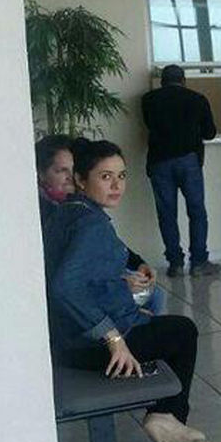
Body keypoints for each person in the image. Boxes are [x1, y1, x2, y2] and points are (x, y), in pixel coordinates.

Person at [43, 140, 210, 442]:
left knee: (157, 319)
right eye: (105, 177)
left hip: (67, 339)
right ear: (80, 179)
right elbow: (64, 287)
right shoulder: (91, 224)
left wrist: (128, 303)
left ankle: (166, 417)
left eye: (121, 176)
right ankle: (166, 417)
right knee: (183, 331)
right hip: (85, 347)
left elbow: (96, 272)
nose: (116, 185)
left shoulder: (74, 211)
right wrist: (114, 338)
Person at [35, 135, 166, 316]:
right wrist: (115, 324)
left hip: (88, 286)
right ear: (41, 173)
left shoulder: (83, 209)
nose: (70, 177)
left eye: (121, 176)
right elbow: (67, 284)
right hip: (69, 303)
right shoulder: (51, 214)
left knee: (152, 292)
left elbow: (105, 244)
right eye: (61, 171)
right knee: (155, 298)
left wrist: (138, 263)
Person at [141, 64, 221, 278]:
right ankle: (199, 262)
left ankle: (175, 264)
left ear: (161, 81)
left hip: (159, 161)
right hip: (188, 161)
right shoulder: (197, 99)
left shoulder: (148, 100)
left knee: (166, 214)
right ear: (183, 80)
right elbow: (210, 133)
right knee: (196, 211)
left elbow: (149, 125)